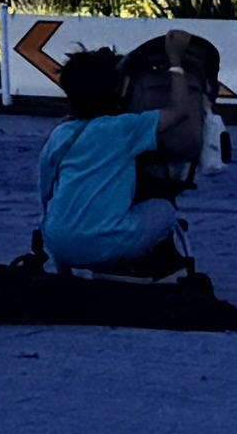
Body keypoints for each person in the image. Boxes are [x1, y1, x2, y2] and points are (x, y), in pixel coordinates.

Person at [30, 46, 196, 279]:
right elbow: (180, 112)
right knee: (165, 210)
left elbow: (46, 191)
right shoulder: (124, 129)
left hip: (59, 242)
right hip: (109, 244)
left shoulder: (60, 135)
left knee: (59, 217)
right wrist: (175, 61)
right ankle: (141, 266)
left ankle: (65, 279)